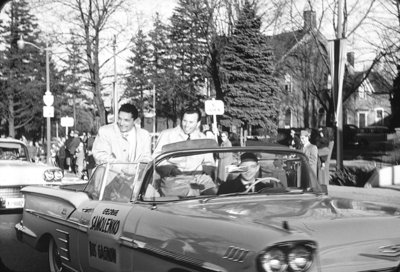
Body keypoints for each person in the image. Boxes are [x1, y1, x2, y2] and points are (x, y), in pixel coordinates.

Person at [153, 107, 217, 196]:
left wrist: (202, 170)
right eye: (184, 121)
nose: (187, 125)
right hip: (174, 179)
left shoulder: (203, 138)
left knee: (214, 195)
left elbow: (210, 163)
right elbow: (157, 159)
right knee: (188, 195)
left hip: (199, 177)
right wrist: (172, 170)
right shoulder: (167, 135)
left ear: (198, 123)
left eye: (191, 122)